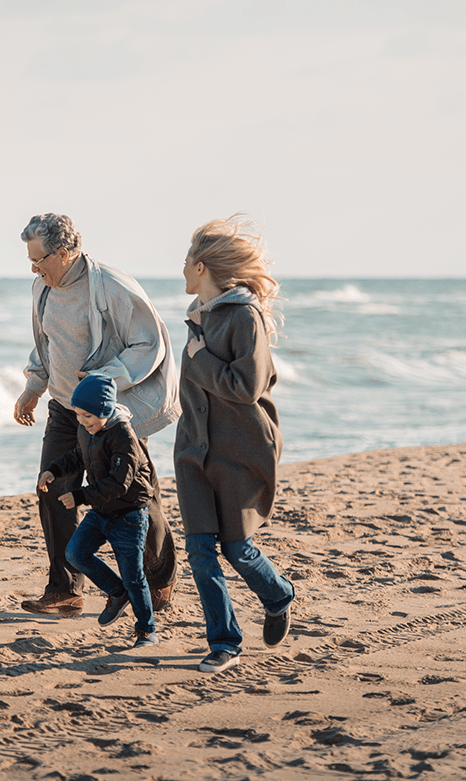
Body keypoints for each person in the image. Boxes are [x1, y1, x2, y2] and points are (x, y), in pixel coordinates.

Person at [14, 213, 180, 618]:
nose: (34, 269)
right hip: (63, 407)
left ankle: (159, 579)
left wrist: (108, 378)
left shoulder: (111, 287)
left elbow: (148, 342)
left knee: (136, 495)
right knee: (51, 487)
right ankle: (65, 590)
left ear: (65, 252)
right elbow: (47, 344)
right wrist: (32, 388)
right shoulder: (43, 288)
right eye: (30, 261)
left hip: (111, 413)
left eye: (40, 260)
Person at [174, 216, 295, 673]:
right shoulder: (197, 317)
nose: (182, 269)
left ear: (202, 267)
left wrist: (201, 359)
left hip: (241, 448)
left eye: (186, 261)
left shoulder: (244, 316)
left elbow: (246, 387)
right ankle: (224, 642)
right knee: (201, 551)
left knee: (237, 547)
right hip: (193, 450)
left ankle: (278, 593)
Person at [38, 374, 158, 649]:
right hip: (103, 510)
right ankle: (117, 593)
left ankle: (146, 630)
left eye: (88, 416)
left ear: (105, 410)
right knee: (75, 553)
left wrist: (80, 496)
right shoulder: (87, 429)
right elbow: (79, 456)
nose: (82, 421)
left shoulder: (124, 436)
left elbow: (120, 483)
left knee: (133, 574)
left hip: (129, 514)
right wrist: (53, 470)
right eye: (79, 415)